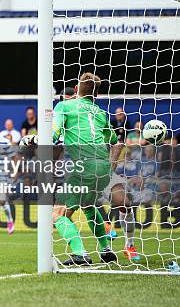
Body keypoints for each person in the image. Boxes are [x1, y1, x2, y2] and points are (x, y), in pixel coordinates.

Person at [48, 72, 121, 265]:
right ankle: (105, 250)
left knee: (57, 213)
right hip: (103, 167)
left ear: (78, 87)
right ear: (96, 93)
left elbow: (54, 134)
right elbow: (113, 140)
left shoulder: (64, 106)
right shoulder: (100, 113)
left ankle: (80, 254)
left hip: (84, 166)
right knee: (88, 207)